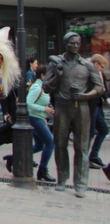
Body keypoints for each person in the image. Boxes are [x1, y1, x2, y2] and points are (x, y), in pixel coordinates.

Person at [43, 32, 105, 197]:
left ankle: (81, 183)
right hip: (62, 108)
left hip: (81, 108)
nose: (75, 46)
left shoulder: (87, 65)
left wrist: (85, 96)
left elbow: (100, 88)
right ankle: (62, 179)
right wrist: (57, 76)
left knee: (82, 147)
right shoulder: (56, 63)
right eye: (72, 43)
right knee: (61, 145)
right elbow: (46, 87)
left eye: (78, 44)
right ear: (65, 44)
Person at [27, 65, 55, 182]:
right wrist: (45, 109)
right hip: (35, 118)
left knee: (39, 145)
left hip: (39, 117)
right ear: (43, 76)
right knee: (50, 142)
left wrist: (46, 111)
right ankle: (43, 170)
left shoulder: (43, 86)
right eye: (50, 75)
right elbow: (28, 103)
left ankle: (15, 157)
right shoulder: (37, 87)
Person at [88, 53, 109, 169]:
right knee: (89, 134)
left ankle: (94, 155)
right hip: (91, 106)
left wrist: (106, 97)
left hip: (97, 106)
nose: (103, 69)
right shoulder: (89, 75)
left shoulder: (100, 74)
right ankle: (86, 159)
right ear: (96, 64)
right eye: (102, 66)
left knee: (104, 129)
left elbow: (103, 89)